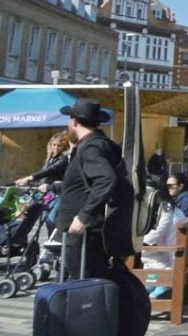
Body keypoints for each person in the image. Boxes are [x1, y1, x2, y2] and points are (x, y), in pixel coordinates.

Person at [50, 98, 119, 280]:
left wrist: (84, 216)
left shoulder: (91, 147)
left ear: (74, 122)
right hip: (84, 233)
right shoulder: (95, 144)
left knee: (85, 285)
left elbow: (105, 179)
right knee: (86, 283)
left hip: (84, 234)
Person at [15, 131, 71, 234]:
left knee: (51, 219)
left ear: (64, 147)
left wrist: (30, 177)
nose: (56, 148)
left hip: (57, 193)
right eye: (54, 145)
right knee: (45, 218)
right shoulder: (50, 158)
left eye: (59, 146)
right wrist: (30, 181)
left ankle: (56, 243)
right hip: (46, 193)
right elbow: (44, 174)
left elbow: (50, 170)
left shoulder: (63, 159)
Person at [142, 181, 186, 299]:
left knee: (149, 253)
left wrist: (143, 241)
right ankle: (152, 282)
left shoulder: (166, 207)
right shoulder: (167, 205)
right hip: (168, 246)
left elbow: (159, 230)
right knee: (150, 255)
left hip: (172, 249)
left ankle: (162, 284)